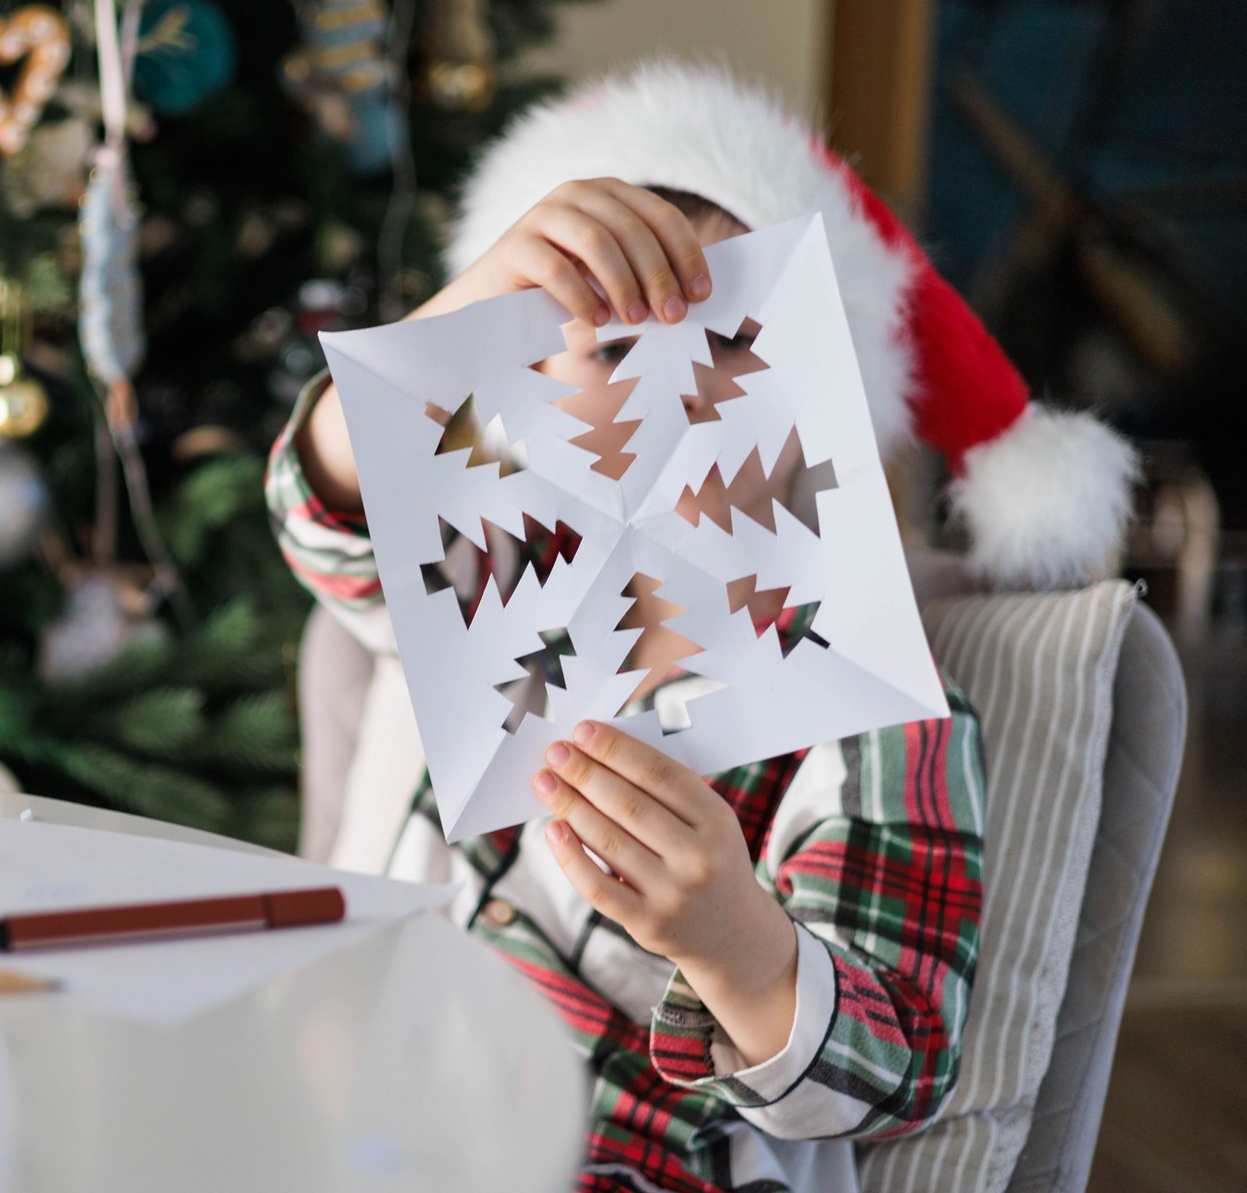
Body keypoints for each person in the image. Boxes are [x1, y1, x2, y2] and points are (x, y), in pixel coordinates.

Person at [265, 61, 1135, 1193]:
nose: (661, 417)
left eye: (727, 361)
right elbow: (320, 521)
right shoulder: (478, 574)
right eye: (606, 353)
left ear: (825, 423)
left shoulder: (870, 708)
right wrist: (437, 333)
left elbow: (891, 1063)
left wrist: (735, 940)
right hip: (381, 1120)